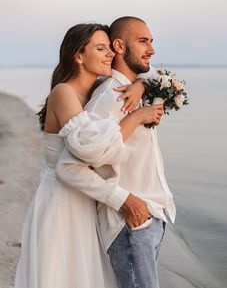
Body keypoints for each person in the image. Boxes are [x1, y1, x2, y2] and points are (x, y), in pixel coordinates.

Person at [14, 23, 164, 288]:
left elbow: (154, 73)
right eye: (100, 48)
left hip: (87, 198)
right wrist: (139, 116)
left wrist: (140, 85)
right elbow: (93, 148)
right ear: (78, 55)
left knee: (89, 276)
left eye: (109, 47)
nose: (110, 54)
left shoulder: (99, 88)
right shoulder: (63, 92)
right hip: (62, 199)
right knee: (63, 275)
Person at [57, 17, 176, 288]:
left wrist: (144, 84)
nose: (152, 49)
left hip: (151, 216)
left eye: (152, 41)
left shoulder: (137, 88)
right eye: (143, 41)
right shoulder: (111, 97)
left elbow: (162, 75)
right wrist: (127, 202)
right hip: (130, 222)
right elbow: (68, 166)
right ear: (120, 46)